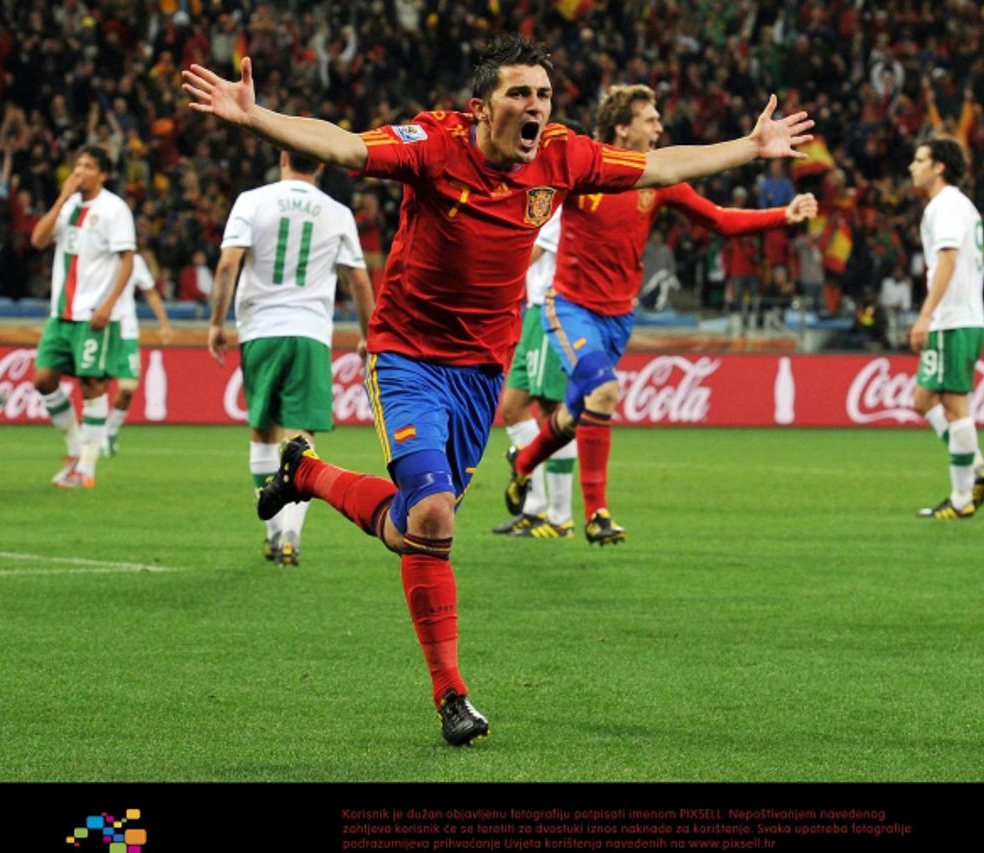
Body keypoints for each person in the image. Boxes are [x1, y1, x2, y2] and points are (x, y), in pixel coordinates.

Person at [183, 35, 812, 745]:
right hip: (407, 356)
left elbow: (662, 166)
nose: (535, 107)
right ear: (482, 108)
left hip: (483, 369)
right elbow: (347, 149)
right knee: (434, 516)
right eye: (520, 94)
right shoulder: (433, 142)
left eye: (543, 95)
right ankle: (452, 694)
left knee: (416, 527)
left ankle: (308, 472)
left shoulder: (563, 157)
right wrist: (258, 115)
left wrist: (751, 146)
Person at [504, 84, 818, 544]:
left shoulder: (657, 180)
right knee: (605, 392)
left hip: (618, 317)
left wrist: (782, 215)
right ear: (622, 128)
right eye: (650, 119)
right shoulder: (582, 168)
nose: (659, 127)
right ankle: (597, 513)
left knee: (575, 413)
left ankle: (525, 462)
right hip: (568, 307)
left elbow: (719, 220)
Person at [209, 150, 374, 567]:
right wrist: (368, 334)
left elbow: (229, 263)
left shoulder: (251, 200)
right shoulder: (337, 212)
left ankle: (272, 532)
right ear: (319, 164)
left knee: (263, 433)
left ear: (282, 156)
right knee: (301, 438)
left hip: (260, 330)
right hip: (310, 333)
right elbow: (358, 278)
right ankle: (291, 537)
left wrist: (216, 322)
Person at [906, 137, 984, 519]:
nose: (913, 167)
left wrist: (927, 314)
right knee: (923, 400)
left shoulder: (944, 206)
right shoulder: (960, 205)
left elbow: (946, 261)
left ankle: (963, 497)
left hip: (952, 318)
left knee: (953, 405)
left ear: (938, 166)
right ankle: (976, 466)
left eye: (919, 160)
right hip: (962, 317)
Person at [30, 145, 135, 489]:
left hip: (92, 314)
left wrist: (108, 305)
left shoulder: (114, 209)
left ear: (102, 174)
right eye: (77, 165)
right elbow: (38, 240)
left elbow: (127, 260)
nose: (80, 171)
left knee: (92, 385)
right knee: (44, 380)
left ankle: (87, 468)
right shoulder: (68, 207)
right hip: (61, 314)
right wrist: (61, 199)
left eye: (88, 166)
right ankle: (75, 449)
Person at [492, 206, 578, 539]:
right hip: (532, 312)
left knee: (553, 409)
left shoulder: (561, 204)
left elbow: (529, 252)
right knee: (513, 410)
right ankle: (534, 506)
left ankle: (560, 517)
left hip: (552, 307)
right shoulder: (536, 197)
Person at [104, 251, 174, 458]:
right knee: (94, 386)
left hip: (126, 331)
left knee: (127, 389)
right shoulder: (92, 254)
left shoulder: (133, 260)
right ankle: (92, 439)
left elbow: (150, 292)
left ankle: (109, 431)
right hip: (96, 329)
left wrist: (164, 324)